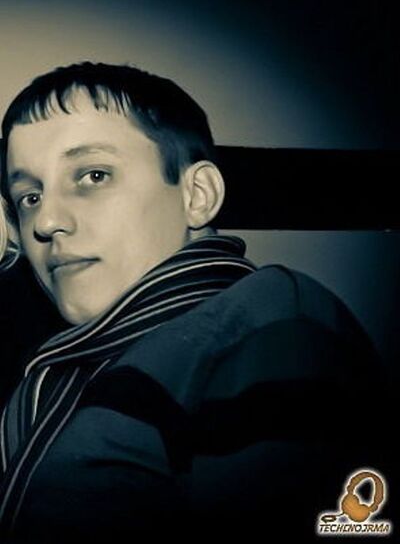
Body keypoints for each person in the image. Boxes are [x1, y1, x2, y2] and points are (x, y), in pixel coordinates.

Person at [0, 62, 390, 543]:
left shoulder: (269, 322)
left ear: (197, 195)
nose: (46, 221)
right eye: (30, 196)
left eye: (93, 175)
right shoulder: (83, 362)